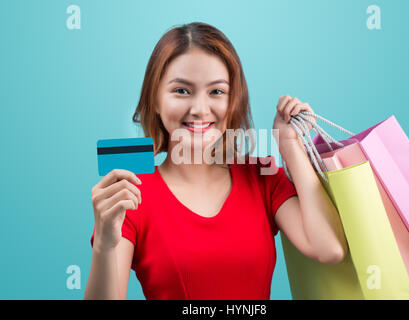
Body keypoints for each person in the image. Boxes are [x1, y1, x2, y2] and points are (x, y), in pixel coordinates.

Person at [84, 22, 348, 300]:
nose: (200, 109)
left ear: (233, 101)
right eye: (182, 91)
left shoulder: (262, 177)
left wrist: (290, 145)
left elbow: (329, 249)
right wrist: (103, 244)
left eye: (216, 92)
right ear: (156, 100)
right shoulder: (132, 193)